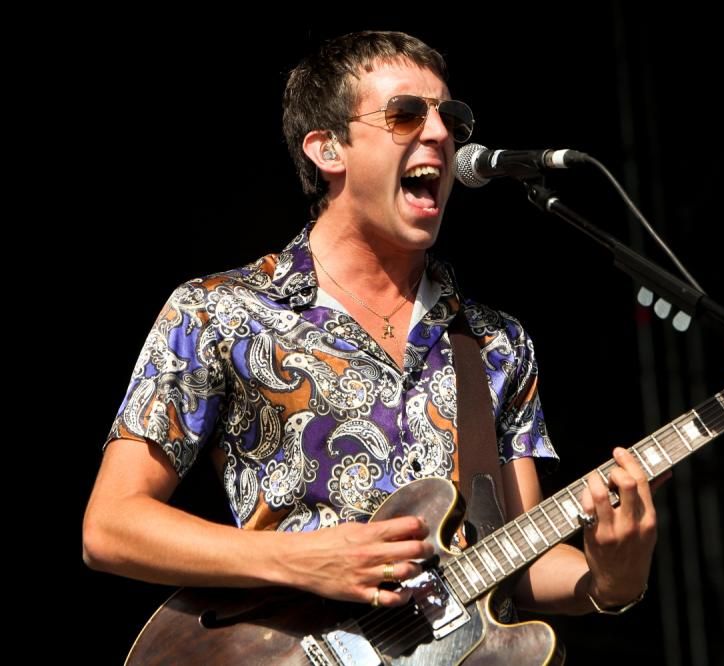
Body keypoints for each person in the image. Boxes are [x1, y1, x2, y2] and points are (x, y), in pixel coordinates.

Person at [83, 29, 656, 637]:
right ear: (328, 149)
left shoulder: (496, 342)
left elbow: (514, 558)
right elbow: (112, 527)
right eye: (406, 114)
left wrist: (610, 581)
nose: (439, 133)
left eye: (449, 118)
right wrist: (300, 559)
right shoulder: (219, 312)